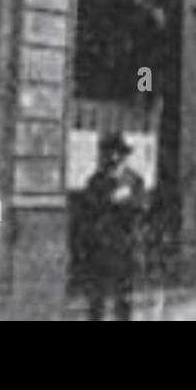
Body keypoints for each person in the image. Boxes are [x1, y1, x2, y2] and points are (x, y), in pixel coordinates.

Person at [79, 132, 146, 321]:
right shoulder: (96, 180)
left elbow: (140, 209)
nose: (113, 158)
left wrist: (128, 202)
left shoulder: (134, 181)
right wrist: (110, 200)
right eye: (108, 153)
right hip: (99, 247)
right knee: (96, 299)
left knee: (123, 298)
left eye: (118, 153)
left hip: (124, 246)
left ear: (123, 156)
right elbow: (88, 209)